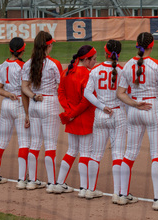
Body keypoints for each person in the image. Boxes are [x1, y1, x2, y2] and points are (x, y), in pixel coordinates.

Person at [116, 32, 158, 208]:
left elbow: (120, 93)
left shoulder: (127, 65)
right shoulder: (157, 65)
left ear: (137, 45)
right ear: (152, 45)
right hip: (154, 108)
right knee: (157, 155)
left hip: (135, 109)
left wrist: (135, 104)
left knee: (129, 153)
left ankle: (122, 194)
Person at [84, 40, 126, 202]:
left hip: (100, 115)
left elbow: (87, 93)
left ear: (106, 52)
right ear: (119, 54)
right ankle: (118, 194)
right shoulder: (123, 71)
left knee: (95, 153)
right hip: (118, 114)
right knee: (118, 154)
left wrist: (101, 106)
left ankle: (90, 190)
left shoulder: (95, 70)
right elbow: (126, 97)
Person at [21, 31, 62, 193]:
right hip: (49, 102)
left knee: (35, 144)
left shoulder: (28, 63)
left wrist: (33, 96)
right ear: (48, 45)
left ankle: (31, 180)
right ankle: (52, 183)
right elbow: (61, 86)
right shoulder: (54, 64)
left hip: (34, 104)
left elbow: (24, 87)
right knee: (50, 144)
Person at [0, 37, 30, 189]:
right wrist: (27, 113)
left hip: (5, 105)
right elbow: (25, 92)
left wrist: (7, 94)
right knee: (24, 142)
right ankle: (21, 179)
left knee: (1, 141)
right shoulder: (23, 66)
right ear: (22, 50)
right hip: (19, 103)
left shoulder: (3, 65)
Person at [55, 45, 97, 197]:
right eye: (93, 59)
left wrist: (69, 111)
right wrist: (73, 113)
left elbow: (60, 92)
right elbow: (87, 100)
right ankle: (84, 189)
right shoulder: (88, 74)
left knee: (72, 150)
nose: (94, 62)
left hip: (71, 117)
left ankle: (59, 183)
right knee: (86, 152)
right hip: (85, 117)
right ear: (86, 59)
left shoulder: (66, 71)